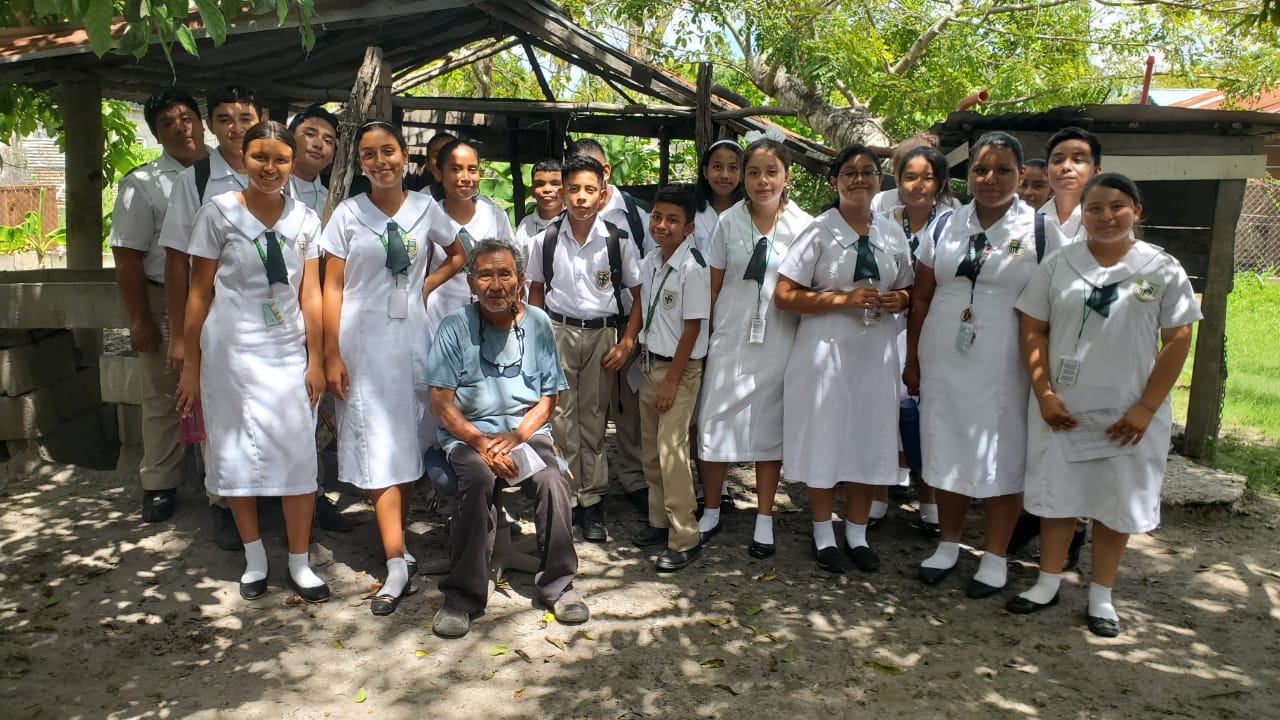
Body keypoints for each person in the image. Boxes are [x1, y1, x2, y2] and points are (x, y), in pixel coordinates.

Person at [1007, 174, 1200, 637]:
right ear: (1083, 214)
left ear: (1137, 211)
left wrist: (1146, 408)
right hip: (1064, 409)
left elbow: (1178, 339)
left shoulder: (1161, 267)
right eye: (1094, 208)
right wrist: (1045, 393)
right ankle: (1047, 581)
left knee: (1115, 502)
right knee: (1060, 498)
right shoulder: (1059, 264)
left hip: (1127, 414)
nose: (1106, 216)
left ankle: (1102, 596)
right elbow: (1032, 329)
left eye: (1117, 206)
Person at [174, 121, 329, 603]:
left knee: (299, 452)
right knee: (237, 451)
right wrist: (191, 363)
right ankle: (255, 556)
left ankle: (299, 562)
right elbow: (199, 292)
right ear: (242, 158)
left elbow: (312, 293)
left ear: (292, 162)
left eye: (280, 159)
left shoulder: (305, 220)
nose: (270, 168)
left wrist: (317, 359)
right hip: (231, 351)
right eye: (260, 157)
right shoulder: (218, 213)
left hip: (287, 351)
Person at [319, 121, 466, 615]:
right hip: (361, 345)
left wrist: (426, 287)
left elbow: (459, 254)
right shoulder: (347, 213)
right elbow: (332, 287)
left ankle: (400, 543)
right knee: (377, 445)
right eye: (368, 155)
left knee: (408, 440)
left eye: (388, 151)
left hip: (412, 341)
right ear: (359, 163)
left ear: (406, 156)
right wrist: (330, 354)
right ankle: (396, 560)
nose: (379, 161)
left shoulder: (427, 208)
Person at [427, 237, 588, 638]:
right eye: (485, 274)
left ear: (519, 280)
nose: (495, 284)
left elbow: (549, 398)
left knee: (551, 482)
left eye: (504, 274)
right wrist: (482, 444)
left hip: (525, 431)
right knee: (479, 478)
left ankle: (558, 585)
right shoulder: (454, 327)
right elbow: (441, 404)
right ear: (470, 282)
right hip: (469, 435)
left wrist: (516, 436)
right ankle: (462, 596)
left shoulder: (537, 322)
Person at [903, 131, 1037, 599]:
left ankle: (996, 554)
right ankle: (949, 543)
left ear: (1020, 175)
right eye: (981, 169)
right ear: (968, 174)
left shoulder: (1039, 232)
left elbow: (1052, 306)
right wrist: (912, 358)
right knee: (948, 443)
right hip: (945, 353)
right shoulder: (944, 226)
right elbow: (920, 297)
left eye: (1003, 170)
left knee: (1005, 451)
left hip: (1007, 360)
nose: (991, 179)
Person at [775, 145, 913, 574]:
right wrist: (842, 299)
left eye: (867, 172)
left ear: (879, 180)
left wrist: (899, 299)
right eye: (849, 173)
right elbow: (784, 295)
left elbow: (910, 288)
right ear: (834, 181)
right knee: (826, 439)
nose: (859, 179)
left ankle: (856, 533)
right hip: (825, 355)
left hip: (875, 357)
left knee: (867, 440)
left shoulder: (892, 233)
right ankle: (822, 534)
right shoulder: (818, 231)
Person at [696, 137, 814, 556]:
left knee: (770, 425)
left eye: (771, 172)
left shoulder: (804, 226)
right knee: (714, 419)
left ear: (786, 176)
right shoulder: (728, 222)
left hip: (781, 339)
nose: (762, 181)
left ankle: (764, 516)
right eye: (754, 173)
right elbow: (713, 283)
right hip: (729, 337)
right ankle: (711, 508)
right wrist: (706, 338)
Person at [158, 84, 262, 551]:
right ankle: (223, 504)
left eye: (245, 117)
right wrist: (180, 335)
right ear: (210, 127)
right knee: (221, 416)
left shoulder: (281, 169)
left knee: (273, 411)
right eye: (224, 119)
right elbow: (178, 262)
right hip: (217, 322)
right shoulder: (196, 180)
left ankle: (273, 499)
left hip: (276, 326)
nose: (236, 128)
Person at [527, 155, 643, 543]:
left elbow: (638, 294)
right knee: (560, 418)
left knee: (594, 420)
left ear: (602, 194)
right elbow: (537, 294)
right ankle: (567, 498)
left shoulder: (617, 240)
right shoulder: (543, 240)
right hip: (557, 332)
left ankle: (592, 503)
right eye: (573, 189)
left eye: (589, 190)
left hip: (602, 336)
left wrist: (627, 341)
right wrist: (538, 342)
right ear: (561, 193)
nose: (580, 198)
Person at [109, 87, 207, 524]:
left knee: (223, 393)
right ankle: (160, 483)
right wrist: (139, 318)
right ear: (156, 134)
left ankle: (223, 489)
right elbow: (127, 256)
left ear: (201, 122)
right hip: (164, 298)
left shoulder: (232, 173)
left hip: (224, 299)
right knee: (165, 394)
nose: (180, 128)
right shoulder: (143, 184)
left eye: (186, 118)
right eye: (167, 123)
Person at [565, 138, 651, 517]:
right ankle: (575, 490)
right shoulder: (554, 231)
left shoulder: (634, 215)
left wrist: (633, 336)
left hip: (623, 327)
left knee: (625, 412)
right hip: (574, 330)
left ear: (605, 176)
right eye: (575, 185)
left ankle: (630, 479)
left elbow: (648, 276)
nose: (583, 195)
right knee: (574, 413)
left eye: (592, 180)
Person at [630, 184, 710, 572]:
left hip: (678, 371)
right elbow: (642, 311)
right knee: (650, 449)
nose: (662, 225)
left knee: (672, 451)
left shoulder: (694, 269)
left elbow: (692, 330)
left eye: (673, 220)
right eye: (657, 216)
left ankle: (685, 536)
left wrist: (671, 382)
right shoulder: (650, 262)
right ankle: (659, 521)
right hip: (649, 365)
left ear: (689, 227)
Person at [880, 145, 955, 534]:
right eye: (910, 176)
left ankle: (929, 498)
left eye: (927, 177)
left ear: (940, 183)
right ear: (898, 181)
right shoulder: (882, 219)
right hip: (885, 328)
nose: (918, 185)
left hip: (930, 328)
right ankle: (878, 493)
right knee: (883, 410)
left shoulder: (953, 225)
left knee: (927, 411)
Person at [1041, 127, 1103, 250]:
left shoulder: (1108, 221)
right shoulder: (1029, 223)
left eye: (1078, 160)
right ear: (1046, 173)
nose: (1066, 167)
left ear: (1096, 172)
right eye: (1057, 160)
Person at [514, 158, 565, 278]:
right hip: (530, 294)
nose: (547, 189)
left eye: (555, 183)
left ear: (566, 188)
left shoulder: (574, 223)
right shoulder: (526, 225)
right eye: (540, 184)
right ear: (532, 191)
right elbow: (517, 267)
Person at [691, 139, 744, 255]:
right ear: (705, 171)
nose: (724, 175)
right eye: (717, 167)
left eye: (733, 168)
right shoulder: (691, 212)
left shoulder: (749, 213)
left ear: (742, 174)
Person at [286, 105, 338, 213]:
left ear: (332, 157)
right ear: (290, 140)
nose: (318, 145)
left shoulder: (330, 203)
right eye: (310, 134)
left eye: (328, 141)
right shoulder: (268, 187)